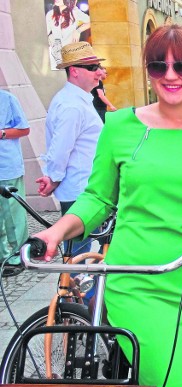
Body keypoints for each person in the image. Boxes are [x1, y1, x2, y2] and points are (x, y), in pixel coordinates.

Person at [32, 24, 182, 387]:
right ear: (147, 71)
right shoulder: (119, 126)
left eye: (181, 66)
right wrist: (55, 231)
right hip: (138, 280)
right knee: (169, 381)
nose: (170, 76)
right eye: (157, 66)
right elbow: (98, 199)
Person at [36, 41, 105, 259]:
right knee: (78, 253)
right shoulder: (72, 105)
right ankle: (79, 292)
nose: (100, 72)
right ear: (74, 71)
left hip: (85, 187)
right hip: (81, 190)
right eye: (93, 67)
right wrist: (54, 177)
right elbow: (60, 148)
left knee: (85, 249)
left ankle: (85, 291)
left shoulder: (76, 100)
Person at [0, 90, 30, 277]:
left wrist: (2, 133)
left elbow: (24, 129)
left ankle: (17, 256)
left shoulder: (7, 99)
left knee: (13, 215)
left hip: (7, 167)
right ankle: (2, 256)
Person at [45, 0, 91, 69]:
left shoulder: (74, 12)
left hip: (70, 54)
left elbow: (91, 22)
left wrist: (78, 31)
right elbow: (46, 33)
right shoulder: (50, 14)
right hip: (55, 53)